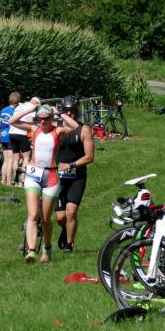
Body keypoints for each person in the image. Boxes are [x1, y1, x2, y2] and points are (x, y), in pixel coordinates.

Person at [8, 99, 79, 263]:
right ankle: (31, 251)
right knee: (33, 214)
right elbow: (12, 121)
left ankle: (47, 248)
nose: (42, 121)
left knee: (46, 219)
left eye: (45, 118)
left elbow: (75, 127)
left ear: (51, 118)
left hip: (51, 176)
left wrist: (58, 113)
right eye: (40, 118)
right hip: (33, 175)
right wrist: (31, 109)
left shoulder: (58, 131)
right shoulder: (34, 128)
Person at [55, 96, 95, 253]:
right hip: (58, 176)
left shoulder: (84, 129)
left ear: (76, 112)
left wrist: (71, 165)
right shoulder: (56, 128)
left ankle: (69, 245)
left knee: (71, 211)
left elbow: (89, 157)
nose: (69, 114)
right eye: (66, 111)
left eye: (72, 111)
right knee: (60, 217)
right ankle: (66, 229)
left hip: (76, 175)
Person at [7, 92, 33, 186]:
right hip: (21, 134)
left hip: (12, 133)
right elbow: (30, 121)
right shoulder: (30, 107)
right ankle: (22, 180)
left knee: (16, 159)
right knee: (26, 157)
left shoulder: (18, 107)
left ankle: (14, 180)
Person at [0, 93, 17, 186]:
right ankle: (8, 182)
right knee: (10, 160)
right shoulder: (15, 111)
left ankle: (3, 180)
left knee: (6, 160)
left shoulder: (3, 110)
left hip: (3, 136)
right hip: (10, 136)